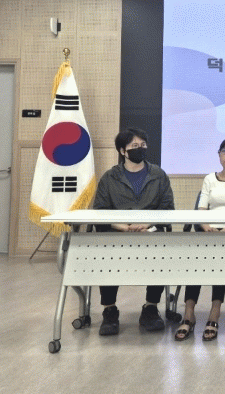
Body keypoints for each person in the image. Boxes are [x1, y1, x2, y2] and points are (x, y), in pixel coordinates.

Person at [93, 127, 175, 336]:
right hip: (117, 233)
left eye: (143, 145)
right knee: (106, 254)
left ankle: (150, 307)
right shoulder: (109, 177)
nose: (140, 149)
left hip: (150, 232)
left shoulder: (158, 175)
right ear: (123, 151)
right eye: (134, 146)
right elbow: (100, 210)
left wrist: (147, 223)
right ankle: (109, 310)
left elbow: (167, 208)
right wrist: (122, 226)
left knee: (161, 251)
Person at [174, 137, 225, 342]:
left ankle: (214, 312)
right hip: (209, 232)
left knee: (218, 258)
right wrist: (205, 226)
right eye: (224, 151)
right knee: (196, 261)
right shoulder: (209, 179)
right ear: (218, 154)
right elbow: (201, 209)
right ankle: (189, 313)